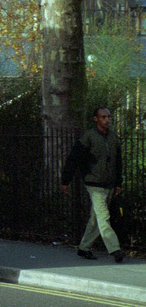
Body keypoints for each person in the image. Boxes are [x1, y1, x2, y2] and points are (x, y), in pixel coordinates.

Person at [61, 107, 125, 263]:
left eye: (108, 117)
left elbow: (118, 162)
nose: (107, 119)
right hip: (94, 184)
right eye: (103, 117)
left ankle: (84, 248)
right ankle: (115, 249)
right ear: (96, 119)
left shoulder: (113, 137)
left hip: (109, 184)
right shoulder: (88, 137)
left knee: (96, 219)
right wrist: (65, 180)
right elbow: (74, 158)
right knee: (104, 217)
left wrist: (118, 183)